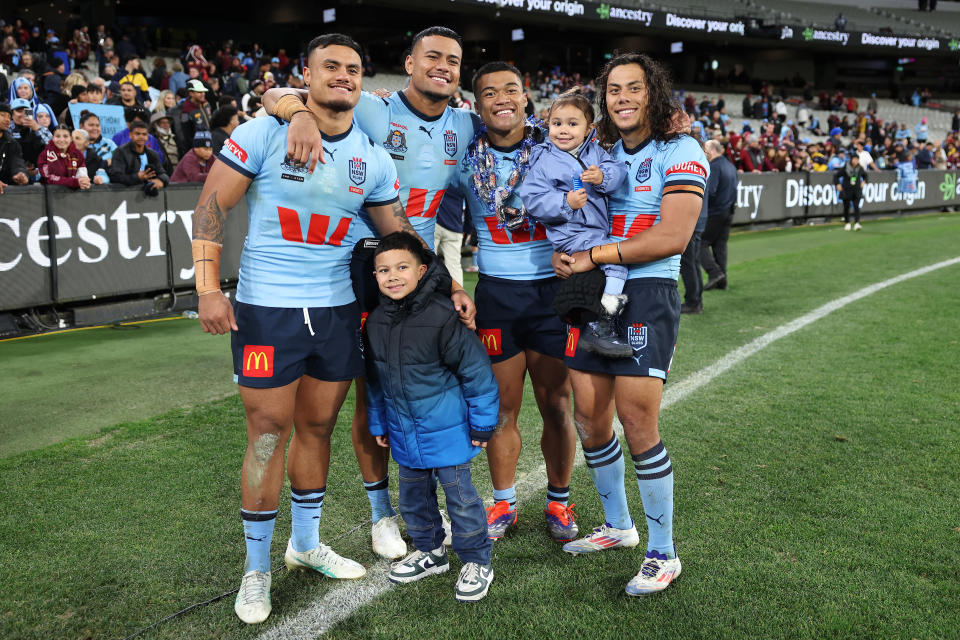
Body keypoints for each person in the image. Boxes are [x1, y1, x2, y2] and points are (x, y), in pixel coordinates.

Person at [191, 33, 456, 625]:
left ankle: (304, 545)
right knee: (267, 435)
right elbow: (210, 206)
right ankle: (255, 570)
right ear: (304, 76)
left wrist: (448, 286)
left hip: (336, 313)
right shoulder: (264, 131)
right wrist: (209, 289)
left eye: (353, 69)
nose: (342, 75)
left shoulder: (373, 157)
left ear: (363, 82)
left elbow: (400, 236)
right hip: (266, 312)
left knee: (318, 429)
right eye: (329, 66)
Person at [260, 26, 478, 559]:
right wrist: (300, 113)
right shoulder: (375, 109)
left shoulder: (466, 123)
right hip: (362, 267)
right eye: (432, 57)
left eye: (453, 60)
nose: (443, 67)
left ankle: (425, 503)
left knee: (426, 387)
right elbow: (273, 96)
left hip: (423, 272)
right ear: (409, 62)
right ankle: (382, 515)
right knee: (373, 391)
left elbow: (532, 125)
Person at [553, 52, 707, 596]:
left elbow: (672, 237)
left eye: (633, 89)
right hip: (592, 287)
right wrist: (568, 254)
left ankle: (663, 553)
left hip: (648, 289)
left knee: (636, 418)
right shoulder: (600, 151)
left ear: (653, 94)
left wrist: (595, 256)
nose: (621, 97)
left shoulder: (680, 148)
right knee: (590, 415)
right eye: (613, 89)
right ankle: (618, 526)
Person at [456, 61, 578, 543]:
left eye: (512, 89)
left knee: (556, 403)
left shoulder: (559, 149)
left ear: (527, 98)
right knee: (502, 409)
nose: (502, 98)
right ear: (478, 104)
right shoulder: (465, 160)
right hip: (498, 296)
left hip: (553, 292)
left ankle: (560, 502)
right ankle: (503, 502)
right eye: (490, 92)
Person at [365, 231, 498, 601]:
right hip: (404, 434)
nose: (393, 276)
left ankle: (476, 560)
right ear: (374, 276)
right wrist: (379, 422)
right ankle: (431, 552)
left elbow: (477, 373)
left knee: (461, 500)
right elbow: (375, 381)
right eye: (383, 270)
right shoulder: (375, 322)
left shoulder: (443, 316)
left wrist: (483, 423)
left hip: (448, 433)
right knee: (412, 500)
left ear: (422, 271)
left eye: (402, 267)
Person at [518, 87, 631, 357]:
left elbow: (619, 171)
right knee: (617, 265)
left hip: (594, 232)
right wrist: (565, 203)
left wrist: (602, 176)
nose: (563, 130)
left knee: (607, 271)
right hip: (571, 235)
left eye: (572, 124)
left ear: (588, 128)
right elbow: (532, 199)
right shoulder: (544, 159)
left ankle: (597, 326)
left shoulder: (596, 154)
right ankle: (601, 326)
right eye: (557, 124)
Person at [701, 139, 738, 291]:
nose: (704, 153)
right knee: (720, 247)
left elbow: (711, 191)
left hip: (715, 212)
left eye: (706, 149)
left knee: (700, 245)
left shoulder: (714, 167)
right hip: (728, 211)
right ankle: (722, 282)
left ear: (713, 150)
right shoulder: (730, 165)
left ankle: (715, 273)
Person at [107, 120, 168, 194]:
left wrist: (160, 180)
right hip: (124, 195)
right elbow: (116, 177)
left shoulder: (153, 154)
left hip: (148, 196)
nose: (141, 137)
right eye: (137, 134)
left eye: (144, 134)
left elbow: (163, 174)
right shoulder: (120, 152)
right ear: (130, 135)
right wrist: (137, 177)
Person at [38, 124, 90, 189]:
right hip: (49, 195)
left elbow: (82, 174)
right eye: (57, 136)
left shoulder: (77, 154)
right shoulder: (45, 155)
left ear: (71, 138)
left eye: (65, 136)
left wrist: (84, 181)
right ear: (53, 138)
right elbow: (48, 178)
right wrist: (74, 182)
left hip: (73, 196)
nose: (62, 140)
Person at [0, 103, 30, 193]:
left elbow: (17, 162)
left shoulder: (12, 143)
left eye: (9, 117)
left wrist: (20, 174)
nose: (7, 120)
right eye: (2, 115)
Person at [835, 154, 867, 231]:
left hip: (856, 190)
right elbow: (836, 176)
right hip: (846, 190)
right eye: (854, 159)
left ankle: (857, 223)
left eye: (857, 159)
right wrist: (838, 184)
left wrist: (864, 182)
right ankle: (847, 222)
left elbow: (866, 176)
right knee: (846, 207)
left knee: (856, 206)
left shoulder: (860, 168)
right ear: (851, 159)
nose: (855, 161)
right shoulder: (846, 167)